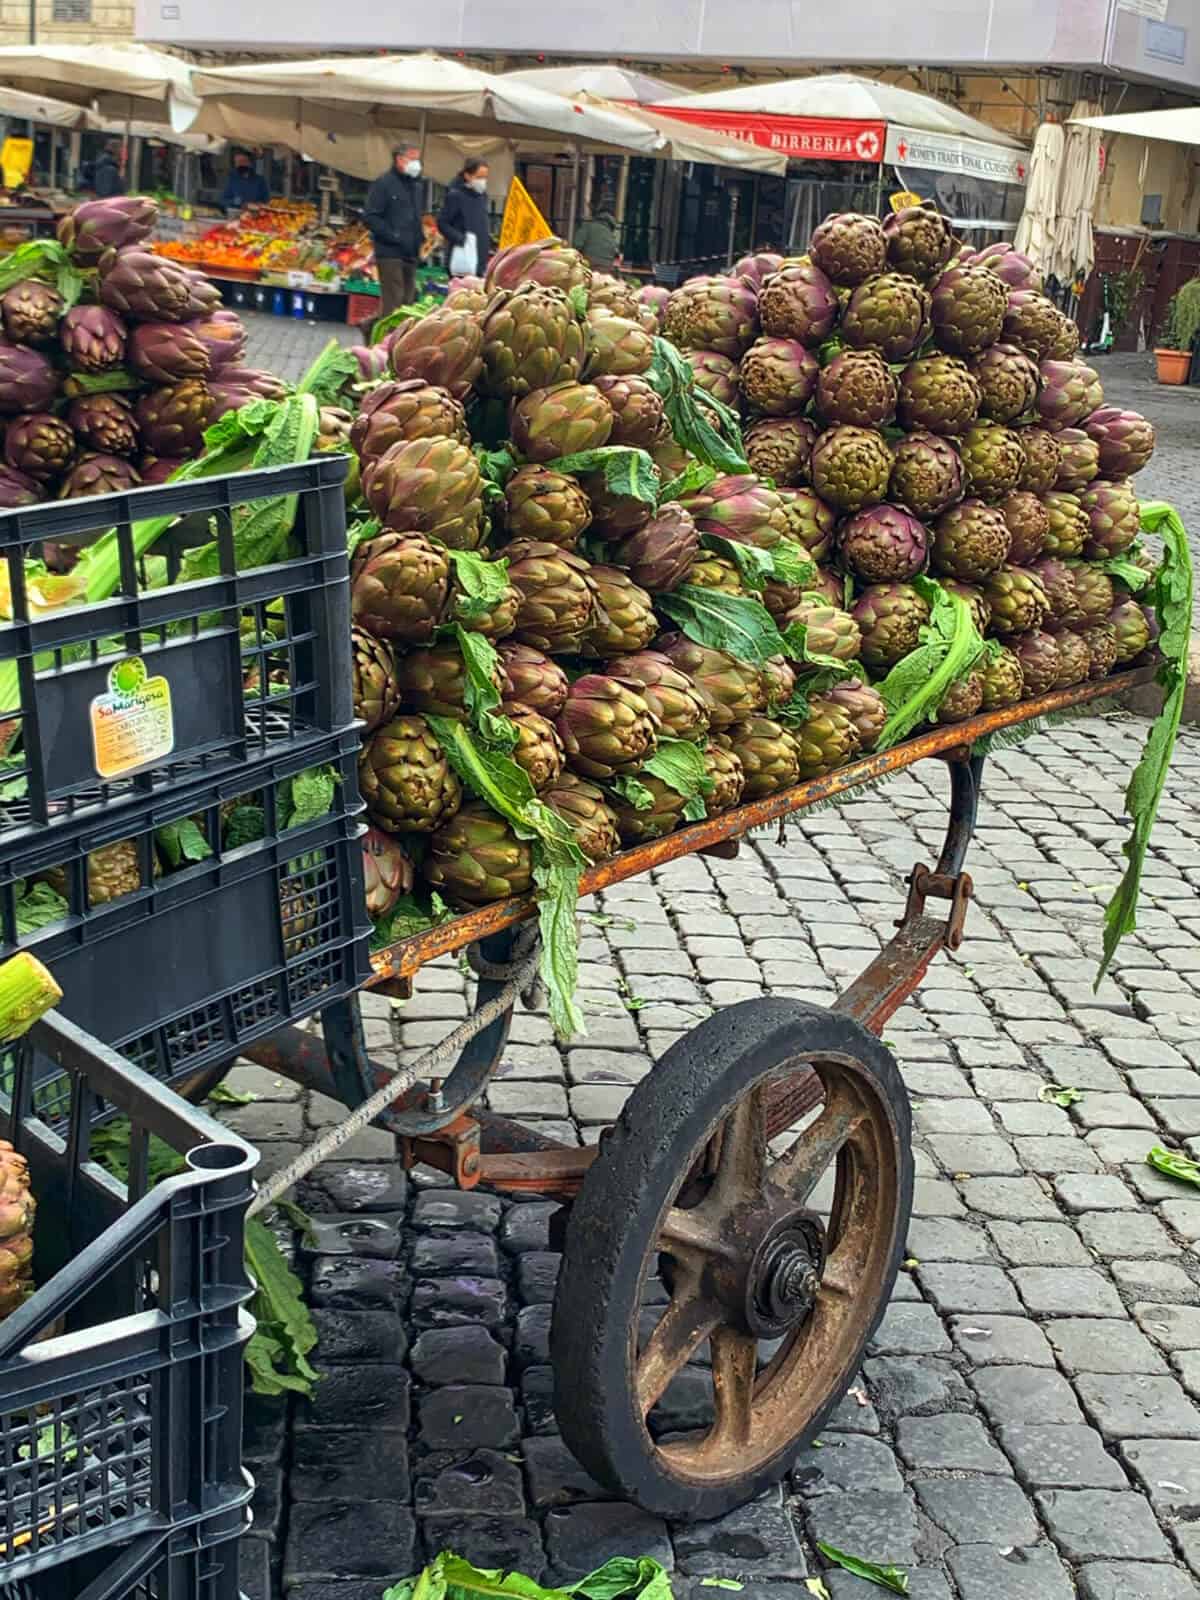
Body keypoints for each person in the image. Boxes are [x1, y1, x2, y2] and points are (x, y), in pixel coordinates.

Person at [364, 145, 424, 316]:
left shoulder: (416, 186)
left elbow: (415, 217)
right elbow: (371, 216)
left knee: (407, 301)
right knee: (394, 301)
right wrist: (393, 235)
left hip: (410, 253)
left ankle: (372, 328)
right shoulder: (384, 184)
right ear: (399, 159)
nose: (417, 164)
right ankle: (386, 338)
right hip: (390, 252)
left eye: (417, 160)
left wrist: (419, 240)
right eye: (413, 159)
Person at [437, 159, 491, 279]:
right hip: (461, 256)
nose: (482, 181)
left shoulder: (482, 196)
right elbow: (442, 223)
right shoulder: (455, 196)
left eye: (485, 177)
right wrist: (461, 239)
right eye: (479, 177)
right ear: (467, 175)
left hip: (480, 257)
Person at [574, 206, 620, 271]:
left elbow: (576, 246)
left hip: (587, 267)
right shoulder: (611, 235)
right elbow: (616, 257)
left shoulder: (587, 227)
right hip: (606, 271)